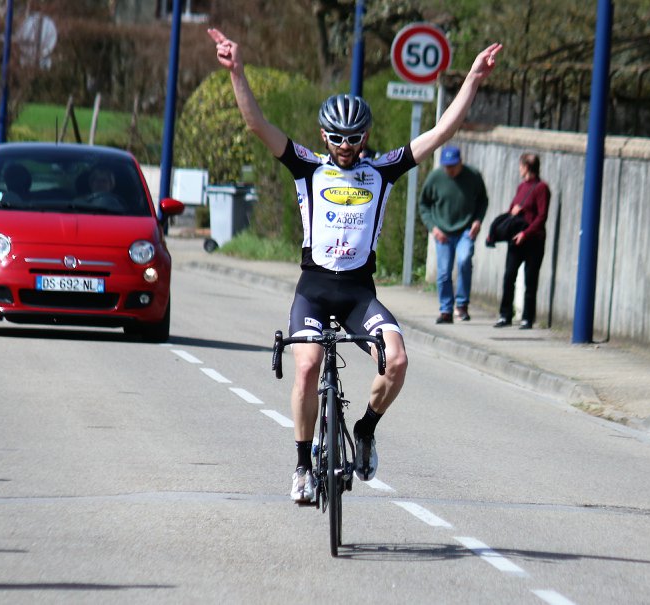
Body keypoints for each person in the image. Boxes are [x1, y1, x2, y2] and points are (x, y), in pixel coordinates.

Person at [207, 27, 501, 503]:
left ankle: (364, 430)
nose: (346, 145)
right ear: (325, 136)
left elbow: (441, 132)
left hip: (359, 295)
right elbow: (258, 125)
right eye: (338, 138)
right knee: (306, 368)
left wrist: (471, 79)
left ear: (365, 138)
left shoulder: (381, 170)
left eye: (354, 138)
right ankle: (302, 467)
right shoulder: (307, 166)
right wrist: (237, 71)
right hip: (314, 290)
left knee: (398, 360)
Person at [419, 145, 488, 323]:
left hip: (465, 229)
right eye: (446, 166)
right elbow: (424, 205)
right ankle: (446, 310)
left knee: (464, 260)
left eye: (452, 166)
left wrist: (478, 220)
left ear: (460, 163)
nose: (449, 170)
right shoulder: (435, 177)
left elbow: (482, 200)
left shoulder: (473, 176)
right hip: (442, 231)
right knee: (443, 272)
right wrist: (433, 228)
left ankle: (462, 306)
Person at [493, 153, 550, 330]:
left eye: (521, 165)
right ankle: (505, 315)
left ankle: (527, 318)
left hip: (533, 240)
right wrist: (515, 211)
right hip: (515, 239)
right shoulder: (521, 187)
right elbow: (512, 209)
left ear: (527, 167)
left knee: (530, 279)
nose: (519, 169)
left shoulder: (541, 188)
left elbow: (542, 216)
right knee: (509, 276)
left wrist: (526, 233)